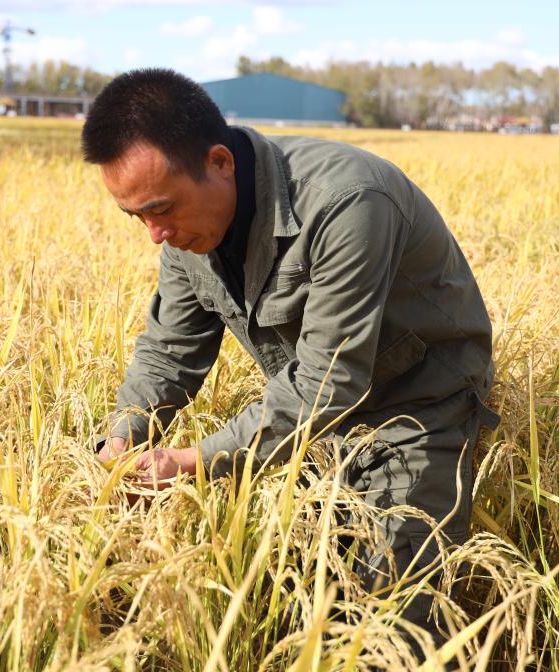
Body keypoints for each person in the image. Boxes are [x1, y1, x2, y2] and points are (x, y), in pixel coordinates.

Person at [81, 68, 500, 642]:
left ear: (220, 163)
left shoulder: (348, 201)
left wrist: (193, 461)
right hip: (310, 419)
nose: (154, 233)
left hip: (419, 405)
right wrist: (122, 439)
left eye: (160, 208)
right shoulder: (186, 231)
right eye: (137, 217)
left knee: (389, 617)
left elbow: (329, 380)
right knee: (297, 590)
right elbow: (168, 353)